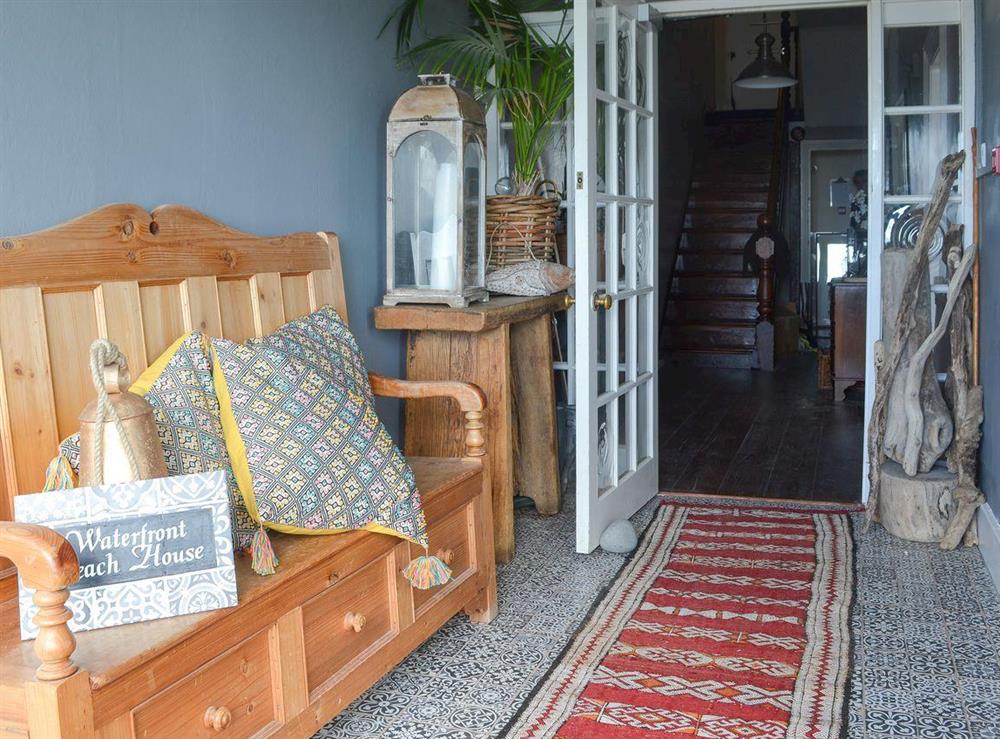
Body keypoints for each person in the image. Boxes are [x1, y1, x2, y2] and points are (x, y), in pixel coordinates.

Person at [848, 169, 868, 277]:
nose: (860, 185)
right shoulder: (856, 200)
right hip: (861, 239)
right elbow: (854, 224)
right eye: (858, 183)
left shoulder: (876, 197)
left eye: (863, 182)